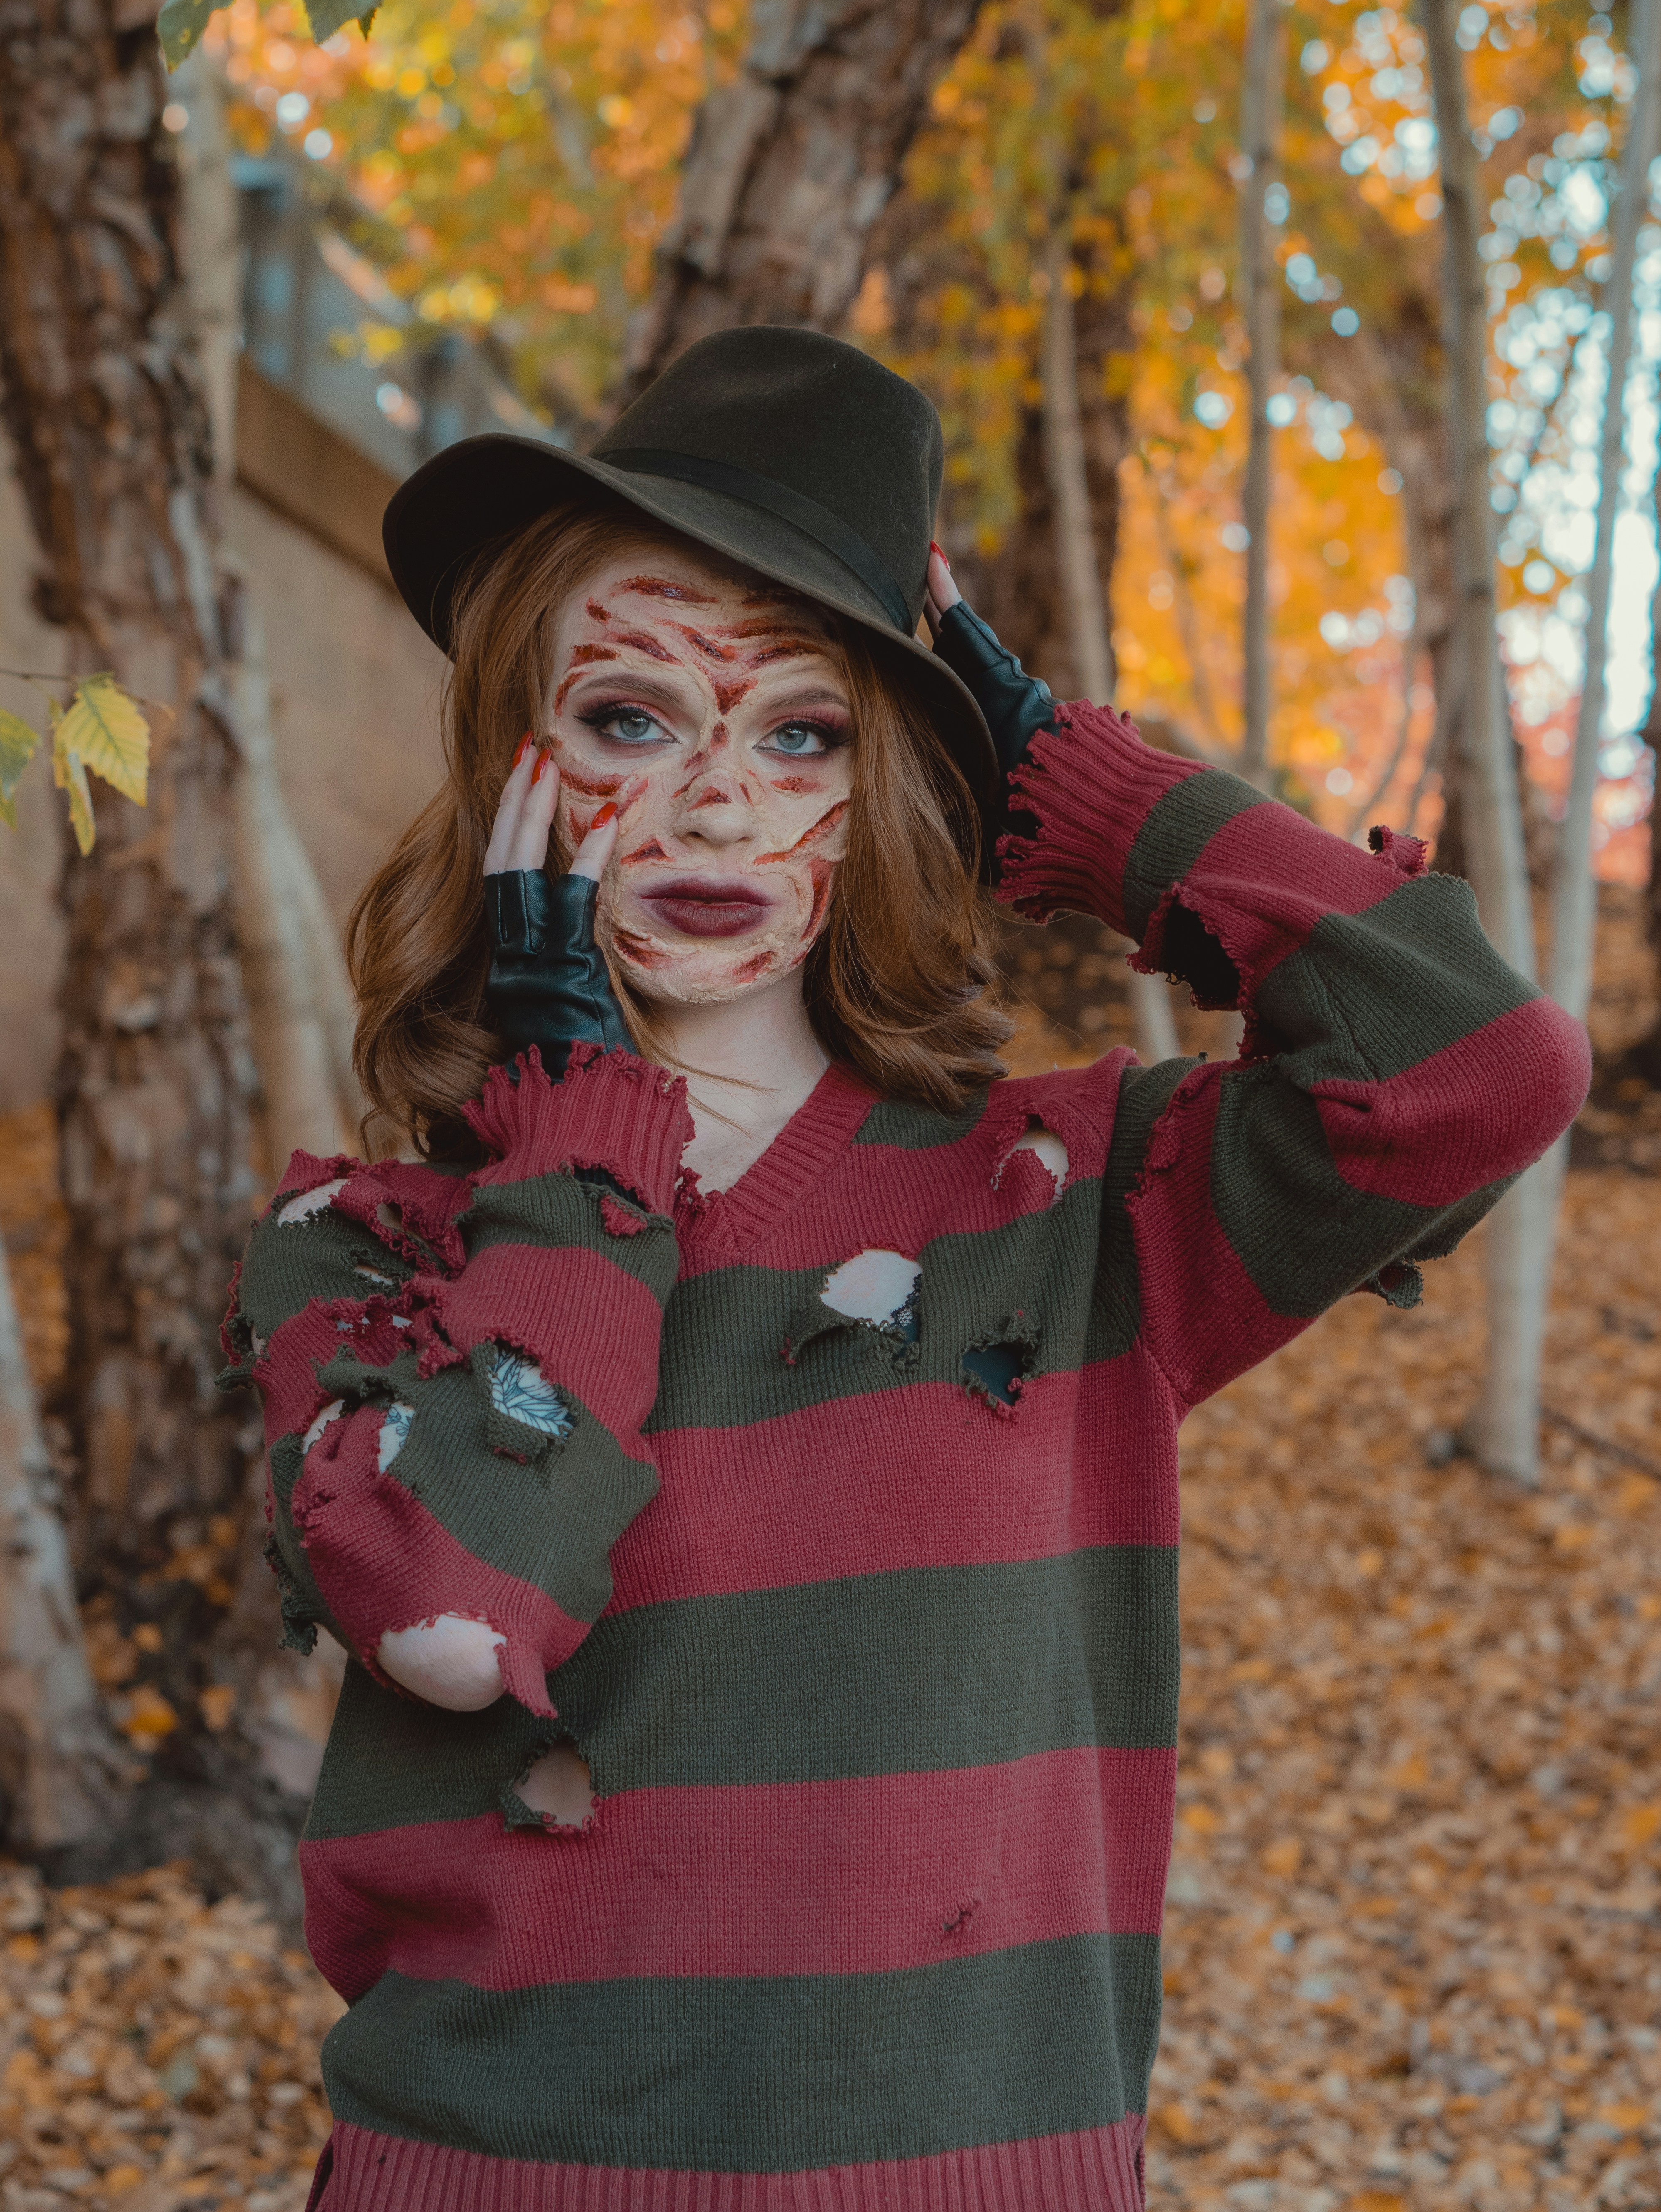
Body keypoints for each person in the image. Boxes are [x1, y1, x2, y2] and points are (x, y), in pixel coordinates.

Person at [222, 328, 1590, 2212]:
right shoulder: (369, 1246)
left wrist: (1080, 790)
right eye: (629, 719)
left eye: (804, 733)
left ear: (887, 793)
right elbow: (459, 1622)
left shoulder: (1070, 1194)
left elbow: (1480, 1069)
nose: (717, 800)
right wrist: (579, 1139)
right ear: (510, 770)